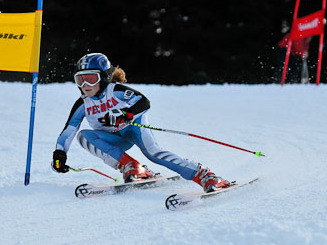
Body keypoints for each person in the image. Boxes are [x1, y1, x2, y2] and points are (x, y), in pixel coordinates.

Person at [52, 53, 231, 192]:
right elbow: (69, 129)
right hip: (114, 138)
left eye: (90, 78)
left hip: (134, 129)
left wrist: (126, 114)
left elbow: (144, 102)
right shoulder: (83, 103)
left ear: (104, 77)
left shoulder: (116, 90)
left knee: (153, 153)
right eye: (79, 79)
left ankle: (205, 175)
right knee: (84, 136)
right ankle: (132, 167)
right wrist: (60, 153)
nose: (84, 84)